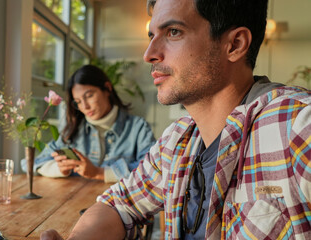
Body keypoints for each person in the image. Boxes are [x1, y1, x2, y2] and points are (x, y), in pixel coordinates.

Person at [40, 0, 311, 239]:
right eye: (151, 35)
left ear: (235, 44)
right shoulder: (177, 141)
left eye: (173, 32)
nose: (149, 54)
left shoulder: (296, 126)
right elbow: (118, 205)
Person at [22, 64, 156, 183]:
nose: (84, 106)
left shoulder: (138, 128)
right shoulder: (72, 131)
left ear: (107, 88)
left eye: (89, 96)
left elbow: (152, 169)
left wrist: (99, 173)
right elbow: (31, 163)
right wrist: (61, 170)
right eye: (78, 101)